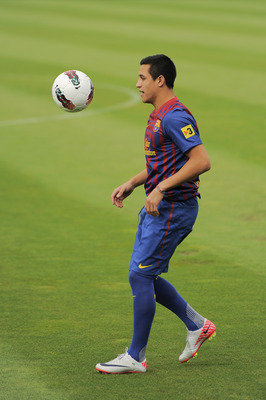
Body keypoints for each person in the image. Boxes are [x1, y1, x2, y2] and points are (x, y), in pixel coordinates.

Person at [95, 54, 216, 374]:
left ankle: (136, 357)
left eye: (142, 78)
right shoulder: (159, 115)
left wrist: (161, 188)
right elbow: (163, 163)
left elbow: (201, 161)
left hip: (174, 208)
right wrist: (134, 182)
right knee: (143, 273)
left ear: (159, 80)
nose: (137, 84)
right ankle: (197, 325)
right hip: (160, 206)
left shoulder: (175, 117)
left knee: (140, 274)